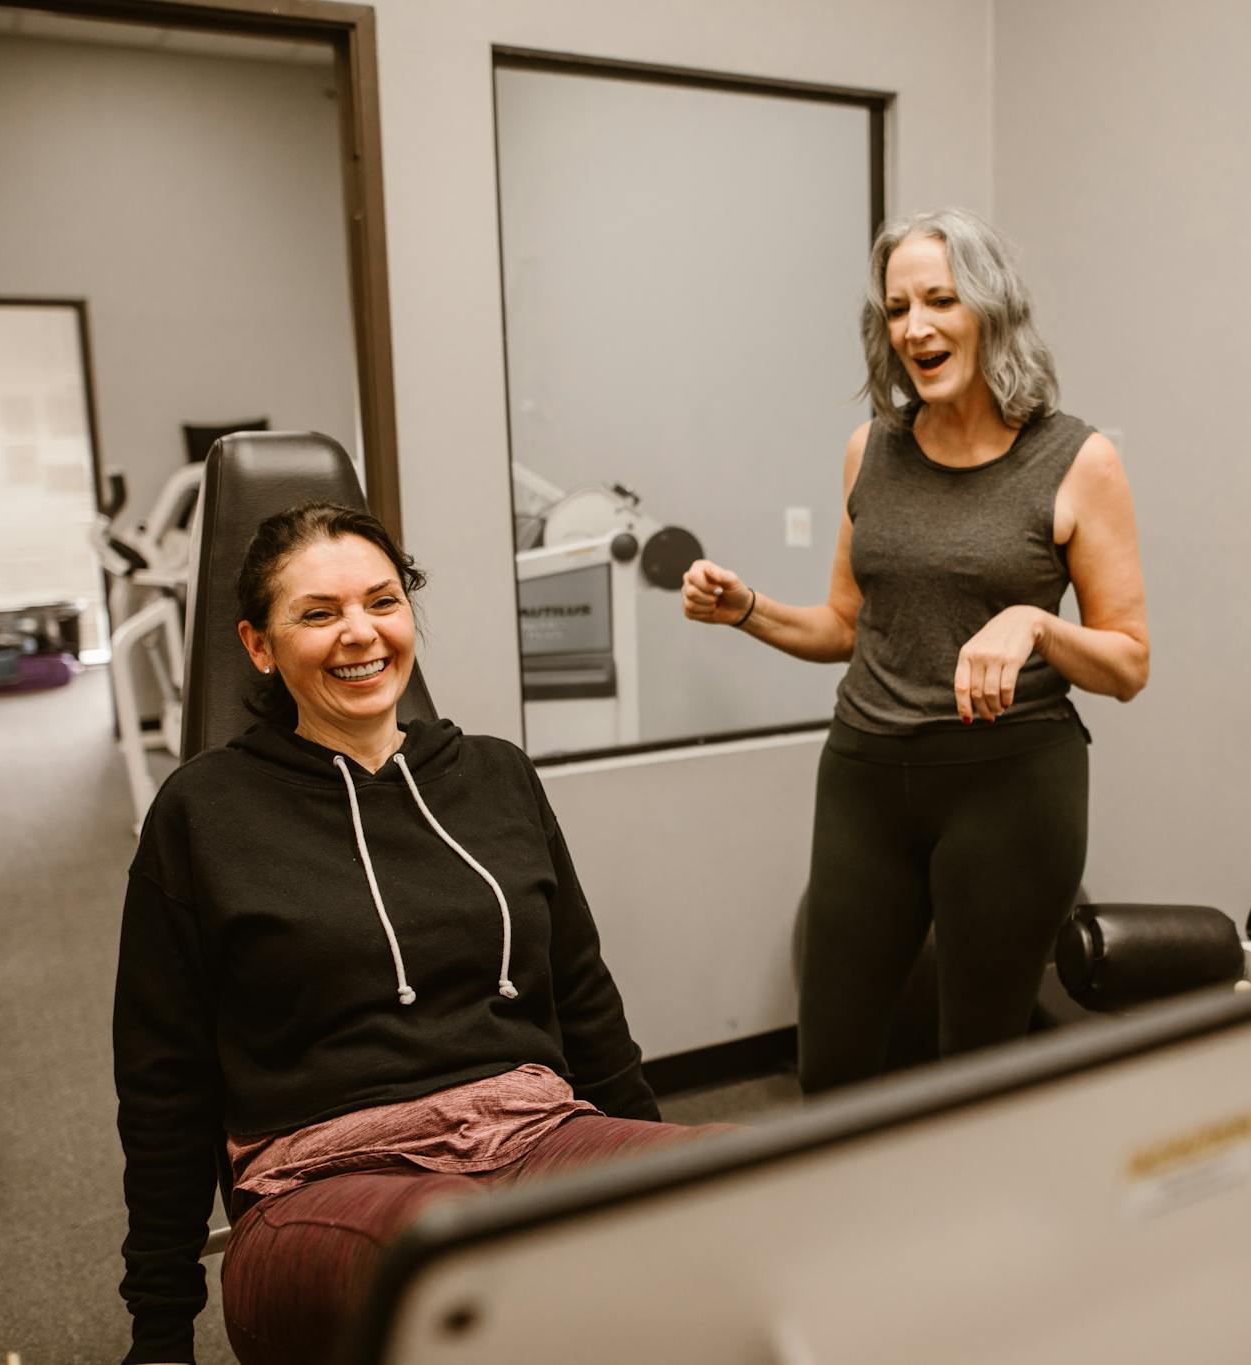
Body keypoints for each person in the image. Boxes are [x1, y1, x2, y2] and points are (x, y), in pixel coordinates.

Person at [114, 501, 725, 1365]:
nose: (360, 634)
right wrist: (160, 1336)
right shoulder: (202, 814)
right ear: (259, 645)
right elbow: (161, 1084)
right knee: (464, 1252)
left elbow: (584, 999)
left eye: (382, 601)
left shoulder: (496, 776)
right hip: (322, 1183)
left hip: (533, 1133)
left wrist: (659, 1175)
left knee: (748, 1179)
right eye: (319, 614)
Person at [683, 207, 1149, 1094]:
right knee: (833, 1067)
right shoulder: (872, 450)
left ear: (992, 309)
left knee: (974, 1073)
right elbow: (845, 628)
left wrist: (1036, 623)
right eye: (898, 308)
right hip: (865, 777)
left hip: (1010, 784)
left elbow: (1129, 662)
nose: (916, 327)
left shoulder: (1076, 459)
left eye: (940, 299)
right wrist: (748, 609)